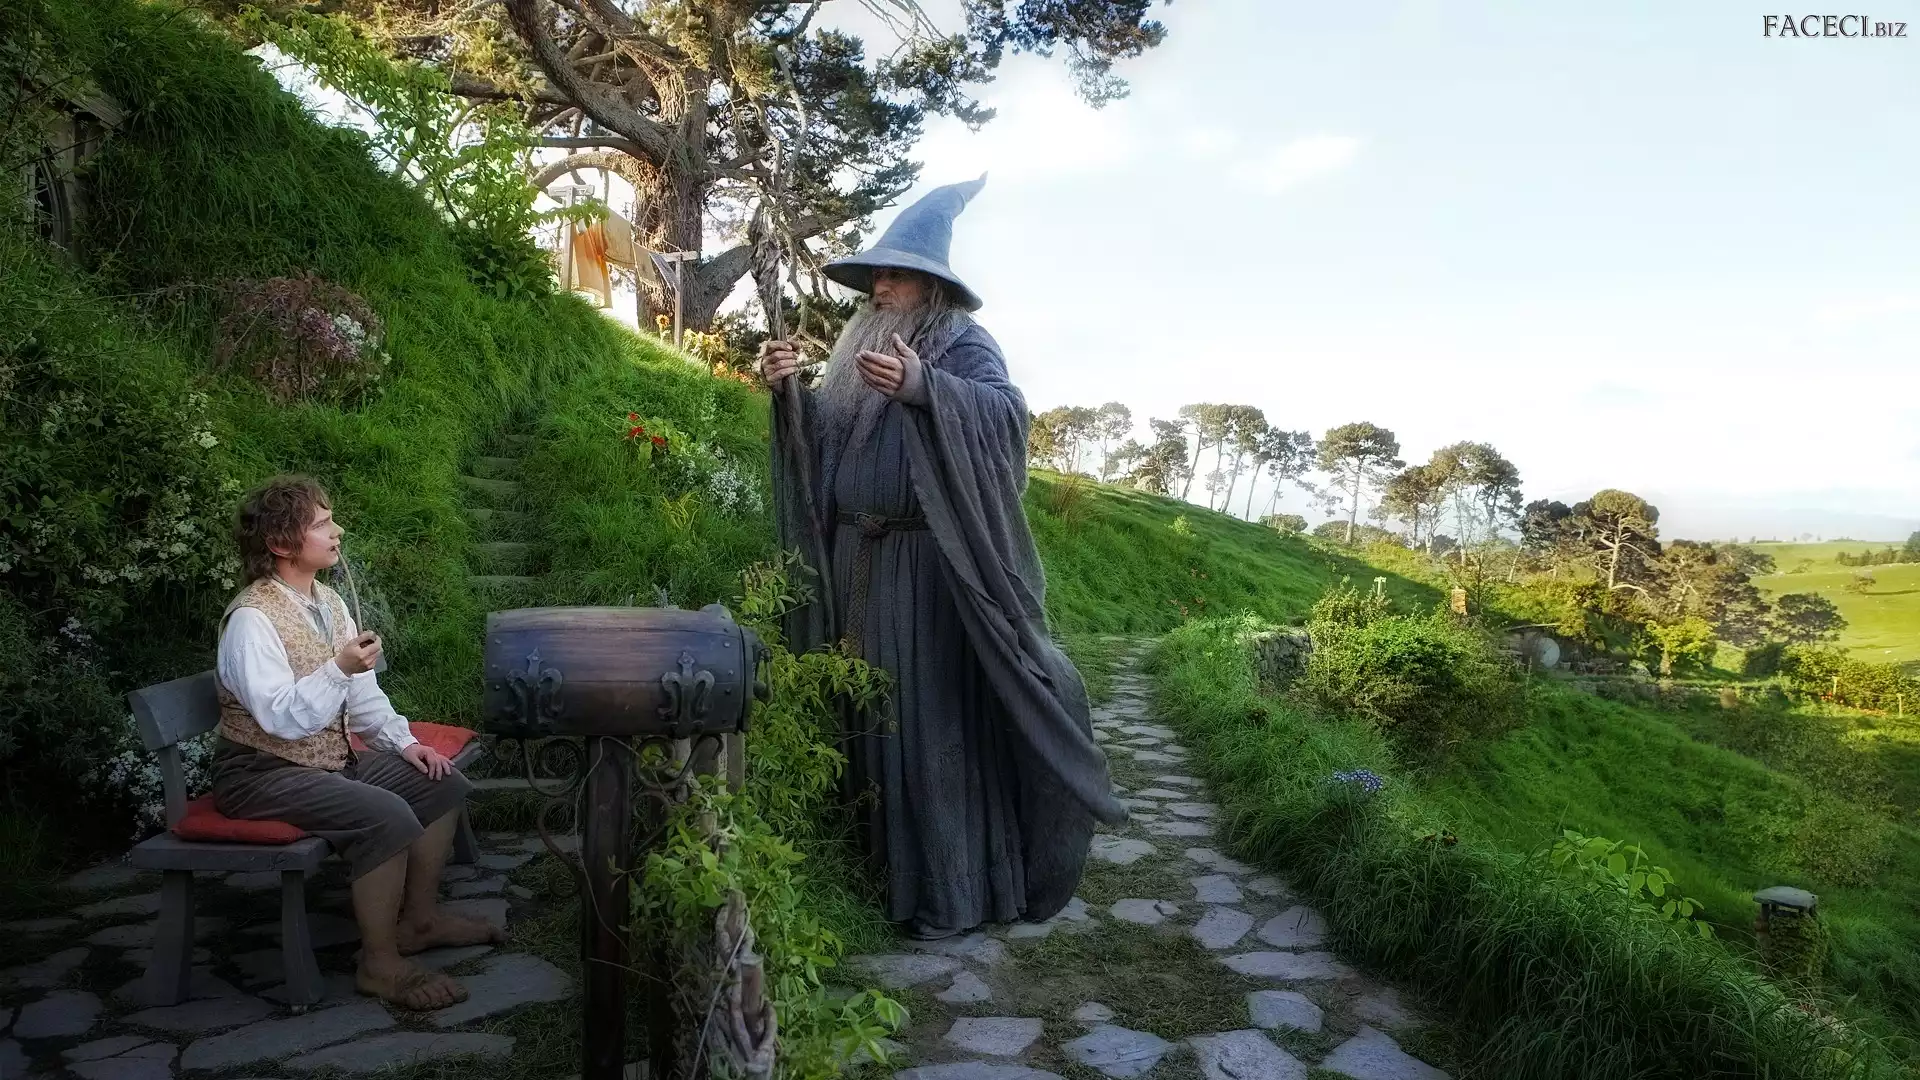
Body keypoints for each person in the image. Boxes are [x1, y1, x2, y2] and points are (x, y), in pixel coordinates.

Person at [760, 177, 1126, 941]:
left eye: (894, 275)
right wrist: (790, 393)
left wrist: (928, 388)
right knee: (865, 719)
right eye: (874, 275)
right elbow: (829, 444)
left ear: (931, 284)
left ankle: (949, 895)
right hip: (856, 562)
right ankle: (874, 878)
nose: (879, 287)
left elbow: (1007, 418)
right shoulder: (856, 347)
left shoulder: (962, 343)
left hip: (927, 574)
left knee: (924, 725)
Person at [210, 476, 502, 1010]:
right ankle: (379, 964)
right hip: (259, 772)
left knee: (440, 782)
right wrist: (338, 668)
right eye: (321, 524)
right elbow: (281, 720)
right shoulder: (251, 621)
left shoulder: (328, 602)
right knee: (385, 816)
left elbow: (362, 696)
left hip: (325, 762)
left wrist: (403, 743)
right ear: (279, 543)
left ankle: (419, 922)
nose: (337, 531)